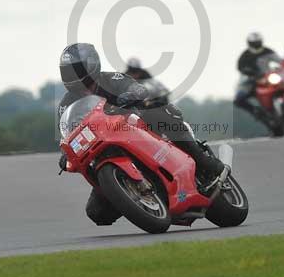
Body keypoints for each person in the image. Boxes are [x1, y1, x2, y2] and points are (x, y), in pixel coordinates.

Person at [57, 43, 225, 226]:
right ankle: (137, 196)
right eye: (68, 71)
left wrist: (130, 95)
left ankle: (203, 160)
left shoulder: (111, 79)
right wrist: (66, 154)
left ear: (92, 65)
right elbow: (68, 133)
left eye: (76, 69)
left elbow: (137, 88)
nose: (72, 75)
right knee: (96, 213)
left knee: (157, 110)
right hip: (103, 146)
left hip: (135, 126)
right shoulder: (67, 104)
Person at [233, 32, 278, 129]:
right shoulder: (245, 55)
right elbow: (240, 67)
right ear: (250, 43)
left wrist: (282, 68)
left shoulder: (268, 51)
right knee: (239, 99)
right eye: (254, 43)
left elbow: (279, 60)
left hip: (268, 78)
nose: (256, 45)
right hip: (251, 80)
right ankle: (255, 111)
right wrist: (249, 73)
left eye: (258, 42)